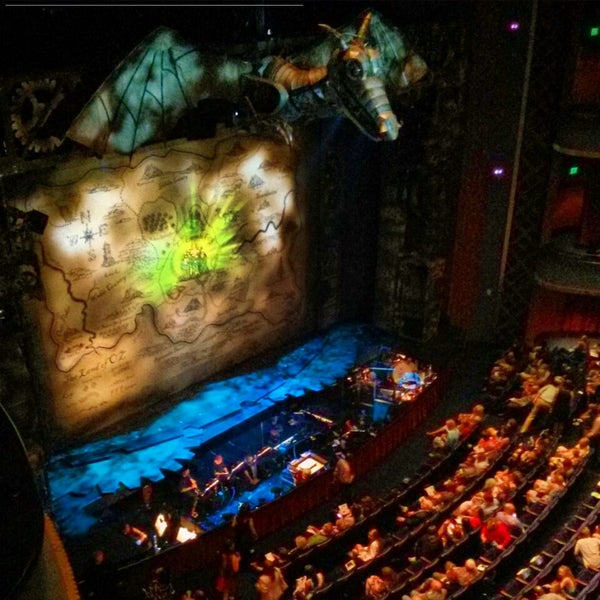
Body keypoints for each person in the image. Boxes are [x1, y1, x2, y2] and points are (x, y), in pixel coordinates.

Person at [232, 502, 258, 570]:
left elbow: (233, 526)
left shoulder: (236, 517)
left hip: (238, 537)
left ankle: (242, 566)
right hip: (246, 538)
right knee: (248, 551)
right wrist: (255, 536)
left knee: (241, 551)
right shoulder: (249, 518)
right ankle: (249, 564)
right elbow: (252, 528)